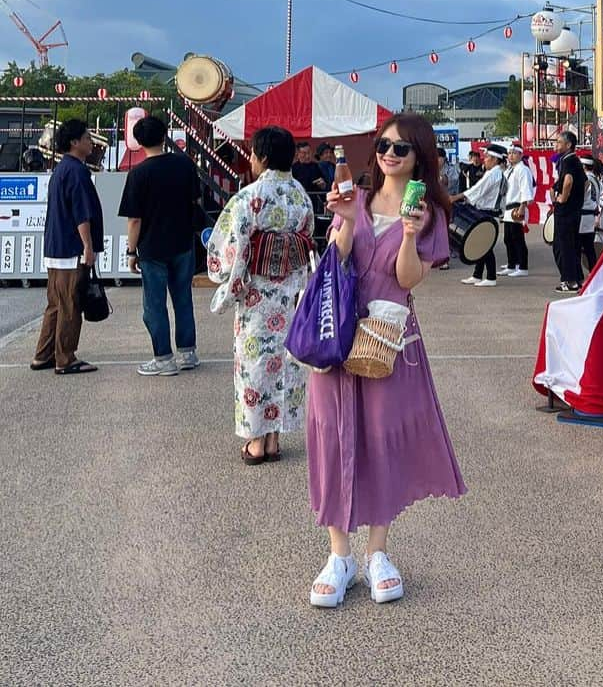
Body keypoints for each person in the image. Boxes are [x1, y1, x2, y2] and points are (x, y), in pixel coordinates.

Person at [307, 112, 465, 608]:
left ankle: (377, 551)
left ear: (419, 156)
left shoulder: (428, 212)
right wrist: (348, 222)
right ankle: (338, 553)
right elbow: (337, 260)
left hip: (386, 341)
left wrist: (411, 234)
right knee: (333, 437)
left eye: (401, 147)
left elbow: (408, 280)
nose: (389, 153)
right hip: (336, 333)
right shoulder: (355, 196)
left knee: (382, 439)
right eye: (383, 144)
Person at [206, 126, 314, 464]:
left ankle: (255, 443)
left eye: (252, 154)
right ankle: (273, 440)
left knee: (254, 364)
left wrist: (229, 281)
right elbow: (307, 241)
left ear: (263, 157)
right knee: (284, 363)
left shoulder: (249, 197)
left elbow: (231, 248)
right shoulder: (301, 196)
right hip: (291, 294)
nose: (250, 160)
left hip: (257, 295)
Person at [119, 114, 202, 376]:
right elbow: (194, 202)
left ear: (138, 141)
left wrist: (131, 251)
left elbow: (134, 220)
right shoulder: (185, 165)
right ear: (164, 135)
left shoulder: (138, 174)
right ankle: (187, 353)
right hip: (183, 243)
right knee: (183, 299)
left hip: (152, 248)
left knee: (154, 304)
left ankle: (164, 358)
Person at [31, 118, 103, 375]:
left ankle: (43, 354)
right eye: (86, 138)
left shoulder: (61, 170)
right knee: (71, 304)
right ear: (74, 142)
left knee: (55, 304)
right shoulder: (77, 171)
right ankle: (66, 358)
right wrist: (88, 246)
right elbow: (81, 213)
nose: (90, 142)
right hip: (71, 248)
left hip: (55, 247)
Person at [451, 143, 507, 286]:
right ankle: (477, 275)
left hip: (488, 212)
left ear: (495, 159)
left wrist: (456, 197)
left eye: (487, 157)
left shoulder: (494, 173)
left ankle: (491, 277)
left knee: (485, 246)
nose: (484, 159)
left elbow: (478, 190)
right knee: (481, 245)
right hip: (485, 212)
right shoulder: (495, 173)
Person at [551, 130, 586, 292]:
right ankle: (577, 279)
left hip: (566, 211)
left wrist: (563, 198)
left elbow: (568, 180)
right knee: (572, 246)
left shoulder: (568, 160)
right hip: (574, 210)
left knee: (562, 246)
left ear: (568, 145)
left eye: (559, 142)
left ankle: (569, 280)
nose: (556, 145)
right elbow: (585, 183)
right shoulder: (573, 161)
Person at [498, 141, 535, 277]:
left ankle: (523, 266)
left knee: (517, 238)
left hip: (517, 207)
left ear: (520, 154)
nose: (511, 156)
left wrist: (522, 207)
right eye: (509, 153)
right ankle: (511, 264)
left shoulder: (523, 170)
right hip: (507, 208)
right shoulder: (509, 170)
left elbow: (525, 189)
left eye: (514, 153)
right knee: (508, 238)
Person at [578, 156, 603, 275]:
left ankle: (579, 275)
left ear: (583, 166)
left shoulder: (586, 178)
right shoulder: (595, 178)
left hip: (583, 216)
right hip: (590, 216)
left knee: (580, 247)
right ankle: (593, 272)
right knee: (589, 248)